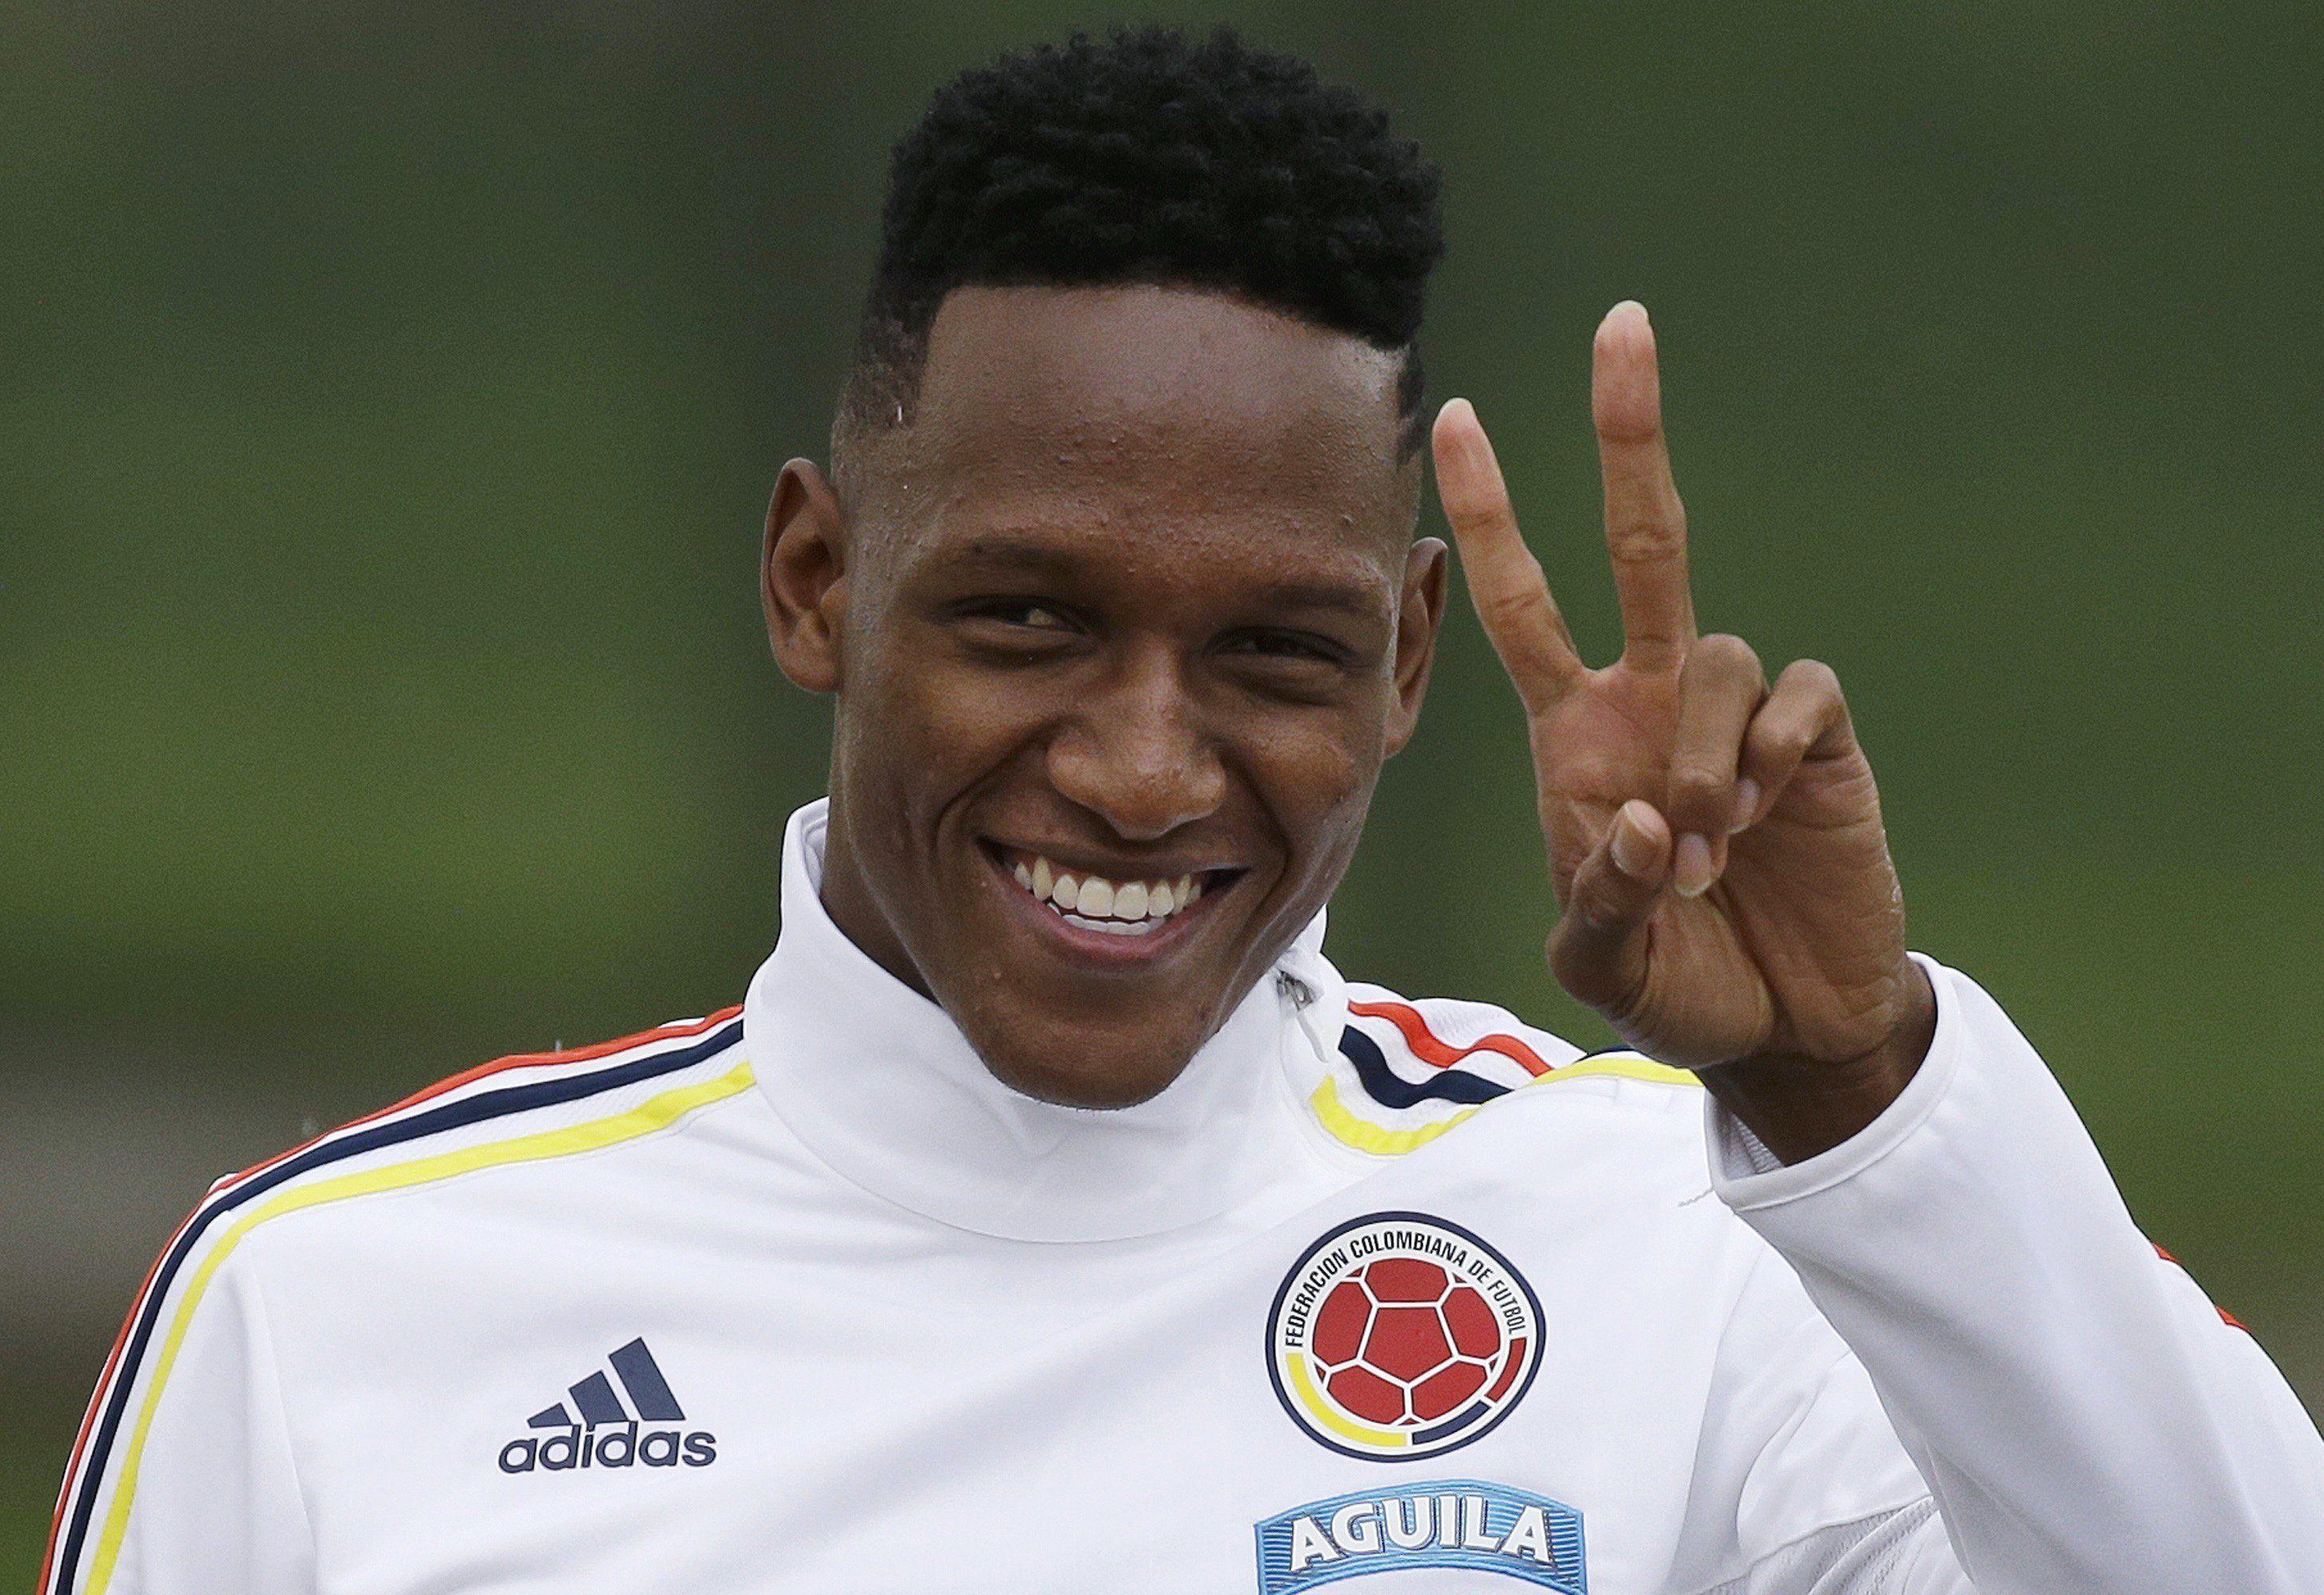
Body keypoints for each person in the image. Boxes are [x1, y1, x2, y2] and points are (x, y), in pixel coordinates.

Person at [42, 26, 2322, 1595]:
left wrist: (1853, 1086)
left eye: (1274, 656)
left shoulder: (1657, 1239)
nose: (1143, 770)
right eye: (1027, 623)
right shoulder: (336, 1303)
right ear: (818, 581)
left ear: (1407, 662)